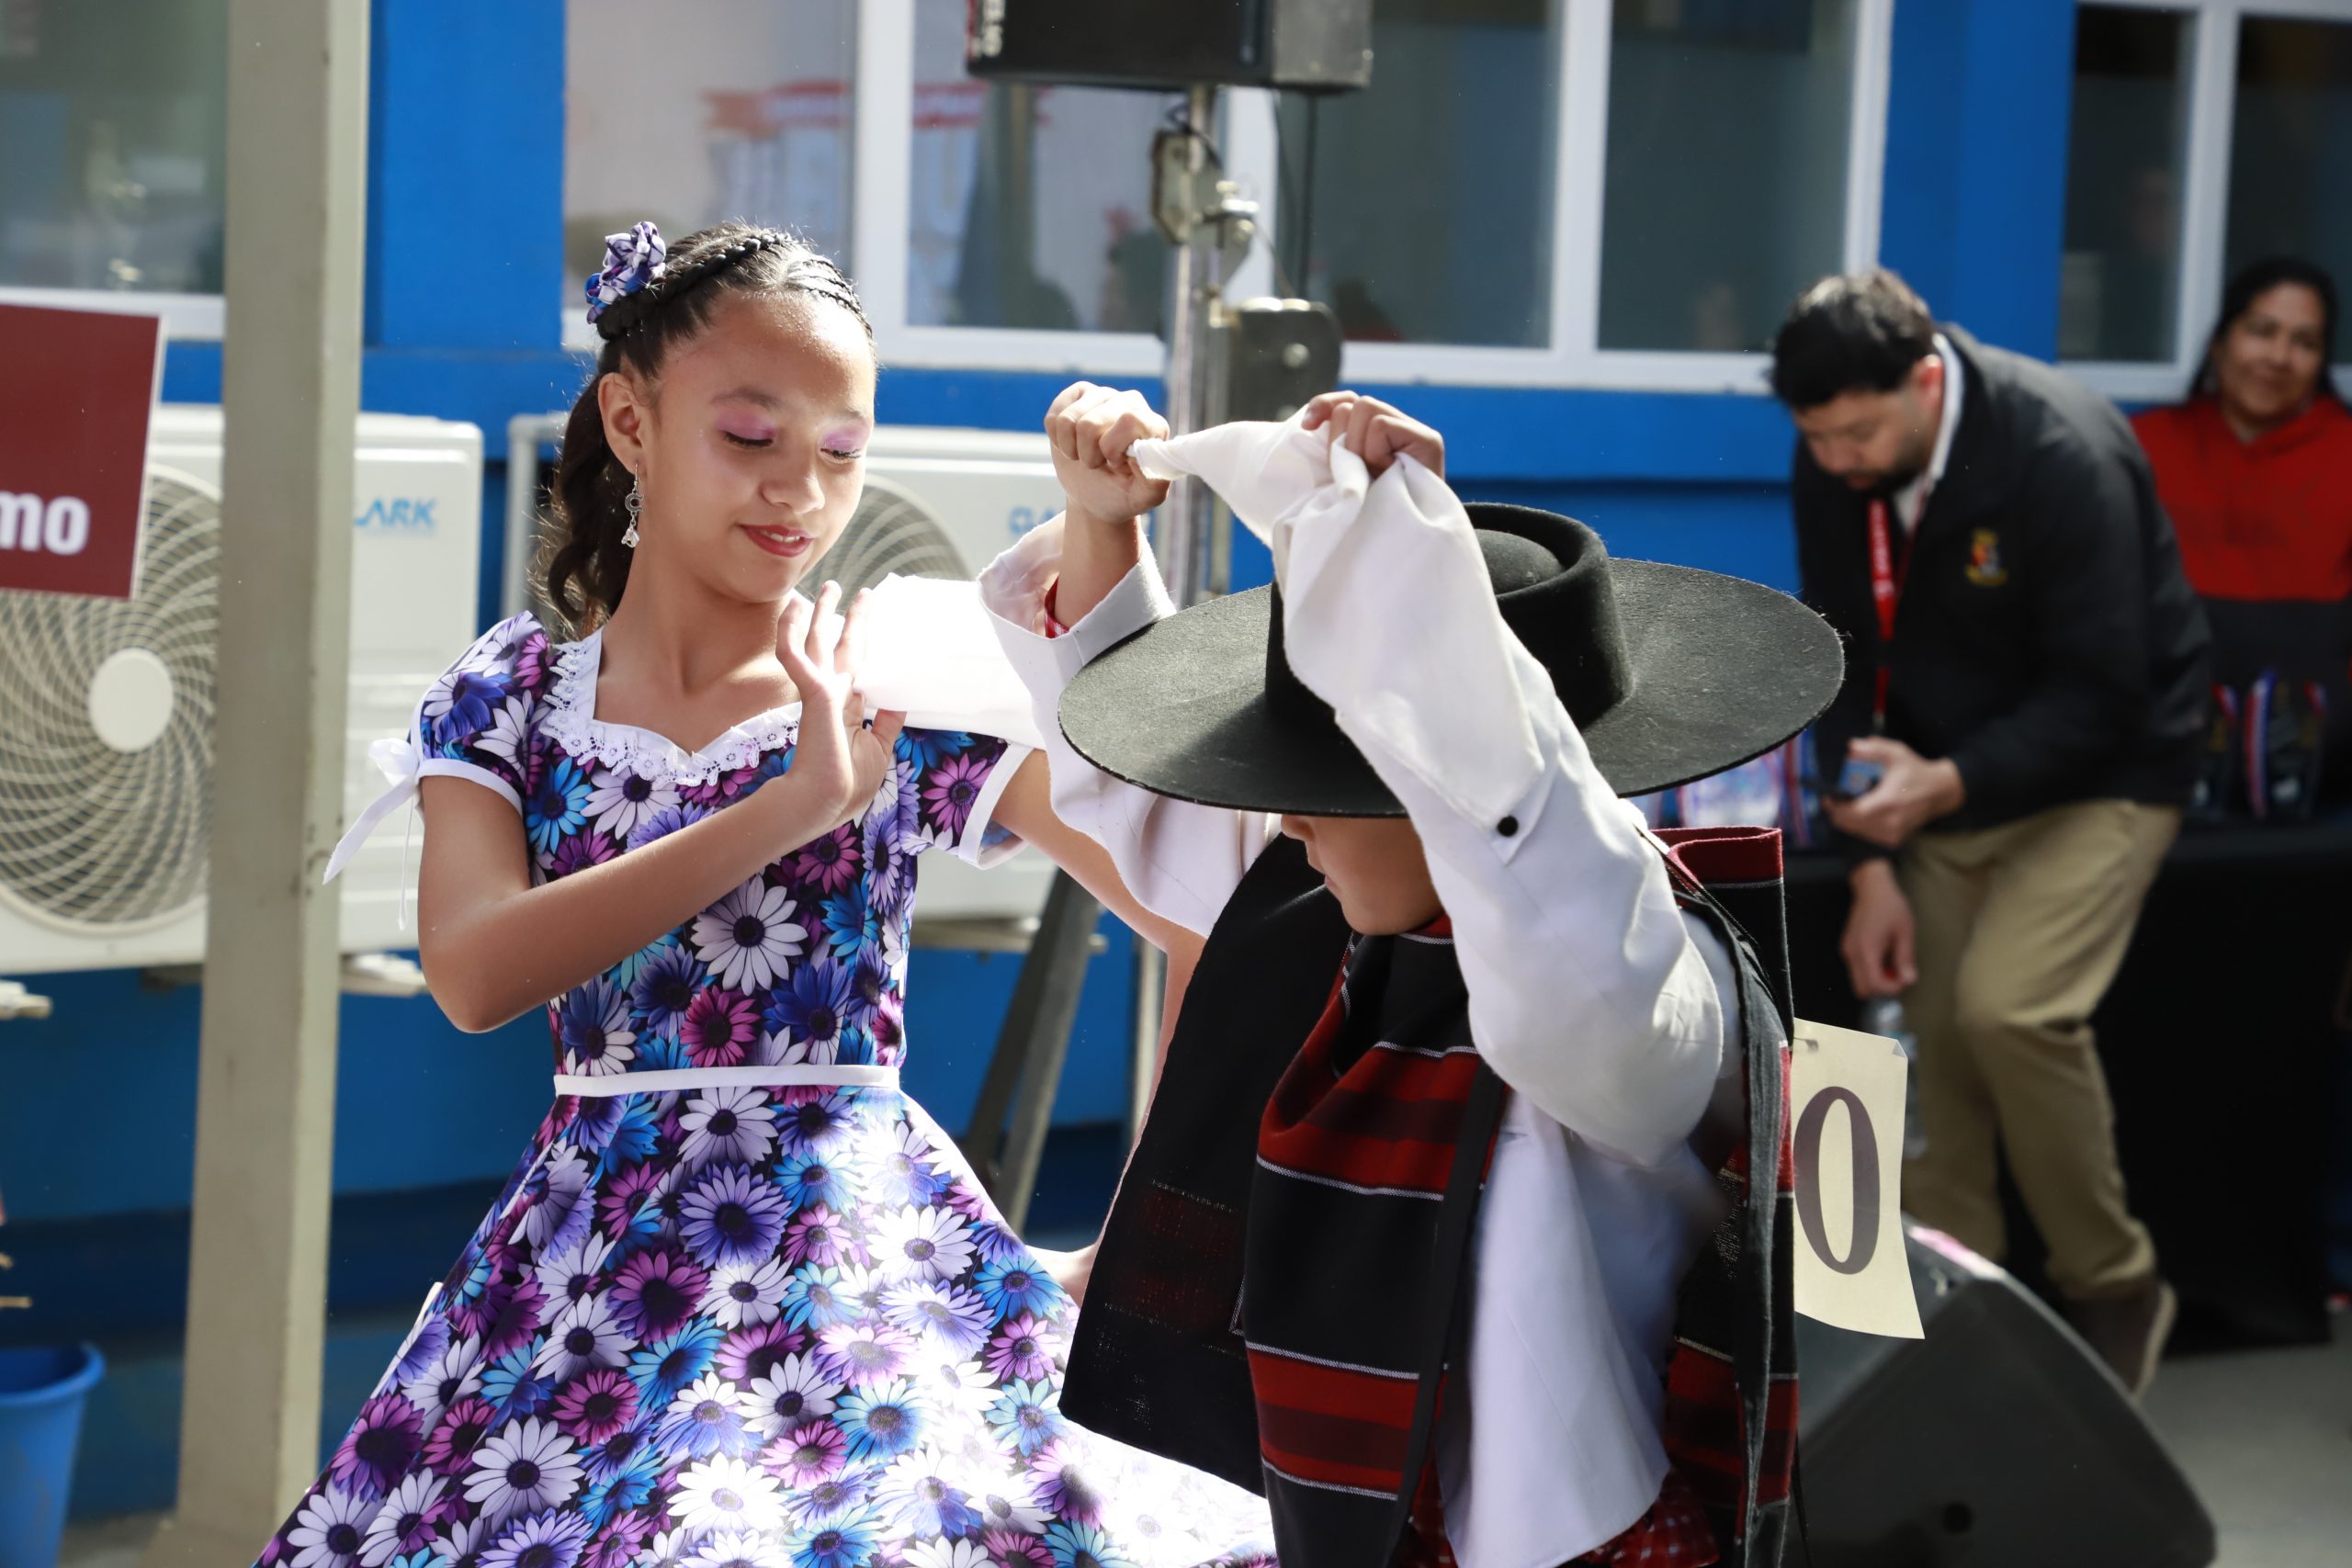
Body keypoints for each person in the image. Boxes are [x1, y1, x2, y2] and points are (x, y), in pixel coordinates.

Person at [257, 222, 1277, 1568]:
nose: (799, 489)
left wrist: (1144, 1240)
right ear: (631, 421)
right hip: (581, 1289)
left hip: (859, 1275)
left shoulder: (899, 683)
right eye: (750, 436)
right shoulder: (513, 694)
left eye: (842, 451)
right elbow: (474, 970)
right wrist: (792, 804)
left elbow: (1216, 918)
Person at [979, 386, 1844, 1567]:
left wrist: (1396, 560)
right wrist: (1102, 520)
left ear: (1436, 785)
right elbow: (1154, 797)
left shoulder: (1640, 976)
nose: (1288, 822)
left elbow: (1521, 815)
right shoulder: (1331, 916)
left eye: (1332, 783)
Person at [1771, 268, 2211, 1394]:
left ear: (1925, 382)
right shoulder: (1837, 455)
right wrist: (1869, 865)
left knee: (2009, 1009)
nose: (1838, 460)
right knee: (1919, 1032)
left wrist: (1946, 783)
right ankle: (1954, 1305)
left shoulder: (2061, 450)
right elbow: (1837, 656)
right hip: (1940, 782)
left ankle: (2115, 1284)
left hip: (2106, 776)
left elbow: (2104, 690)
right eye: (1816, 438)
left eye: (1859, 433)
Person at [2132, 256, 2352, 795]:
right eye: (2261, 331)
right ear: (2219, 342)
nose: (2279, 357)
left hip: (2318, 774)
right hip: (2158, 758)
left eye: (2304, 342)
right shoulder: (2144, 446)